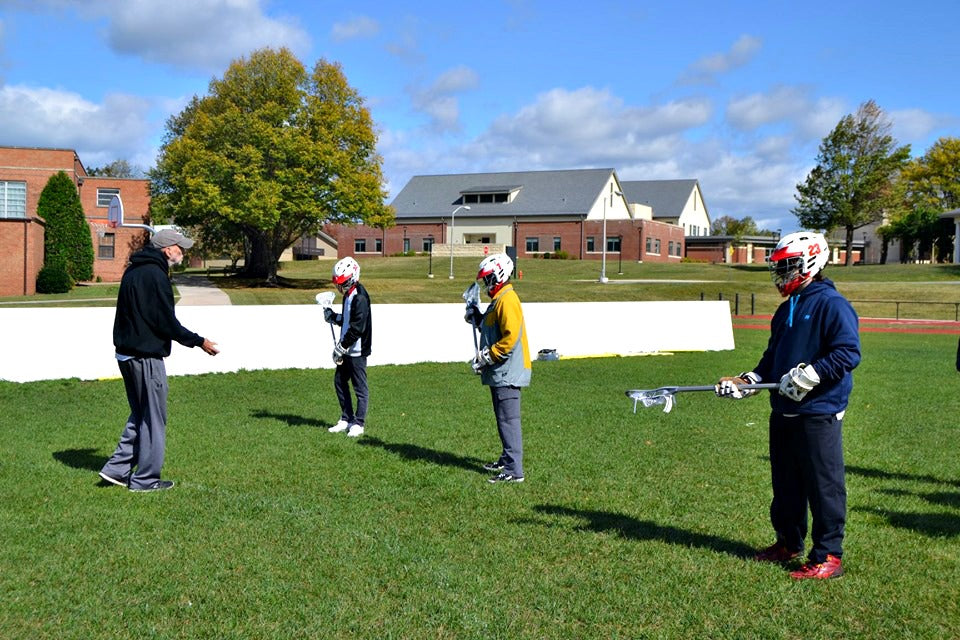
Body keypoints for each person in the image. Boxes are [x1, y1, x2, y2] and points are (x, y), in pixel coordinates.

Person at [715, 231, 860, 580]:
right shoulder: (785, 310)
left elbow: (847, 352)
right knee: (786, 485)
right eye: (779, 267)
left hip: (819, 411)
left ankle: (828, 555)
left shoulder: (831, 304)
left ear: (810, 261)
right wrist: (747, 381)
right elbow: (772, 360)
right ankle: (788, 542)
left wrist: (811, 374)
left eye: (789, 266)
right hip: (783, 411)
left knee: (823, 486)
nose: (782, 274)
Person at [99, 228, 219, 492]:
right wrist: (199, 341)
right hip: (145, 357)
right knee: (154, 419)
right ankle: (145, 480)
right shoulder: (156, 275)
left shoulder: (133, 270)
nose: (183, 252)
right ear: (167, 249)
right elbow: (166, 323)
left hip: (126, 354)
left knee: (142, 413)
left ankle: (116, 470)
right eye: (180, 248)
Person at [464, 253, 531, 484]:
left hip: (508, 371)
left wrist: (486, 357)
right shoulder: (499, 299)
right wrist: (477, 317)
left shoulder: (507, 300)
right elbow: (491, 328)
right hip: (500, 371)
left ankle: (514, 470)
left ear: (499, 274)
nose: (486, 283)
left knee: (508, 420)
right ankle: (507, 459)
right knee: (502, 418)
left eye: (488, 278)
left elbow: (509, 339)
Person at [324, 256, 372, 438]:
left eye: (342, 282)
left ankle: (358, 423)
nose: (340, 287)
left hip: (357, 350)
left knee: (360, 387)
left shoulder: (360, 297)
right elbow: (347, 321)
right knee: (340, 382)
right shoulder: (348, 295)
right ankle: (346, 418)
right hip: (346, 348)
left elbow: (357, 328)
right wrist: (333, 317)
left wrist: (341, 347)